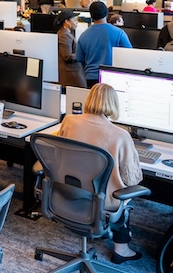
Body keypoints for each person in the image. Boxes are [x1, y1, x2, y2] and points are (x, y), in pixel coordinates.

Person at [58, 84, 143, 264]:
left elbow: (57, 149)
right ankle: (122, 249)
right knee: (126, 193)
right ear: (114, 104)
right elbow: (132, 178)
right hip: (102, 202)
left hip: (67, 194)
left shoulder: (69, 121)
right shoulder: (121, 135)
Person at [76, 2, 132, 87]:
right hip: (113, 76)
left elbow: (80, 59)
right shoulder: (119, 33)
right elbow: (129, 54)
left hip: (91, 78)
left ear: (91, 15)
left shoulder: (83, 35)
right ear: (107, 13)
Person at [55, 9, 86, 89]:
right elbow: (67, 56)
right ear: (67, 22)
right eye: (74, 20)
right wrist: (82, 54)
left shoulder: (65, 33)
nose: (77, 23)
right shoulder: (64, 35)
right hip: (71, 75)